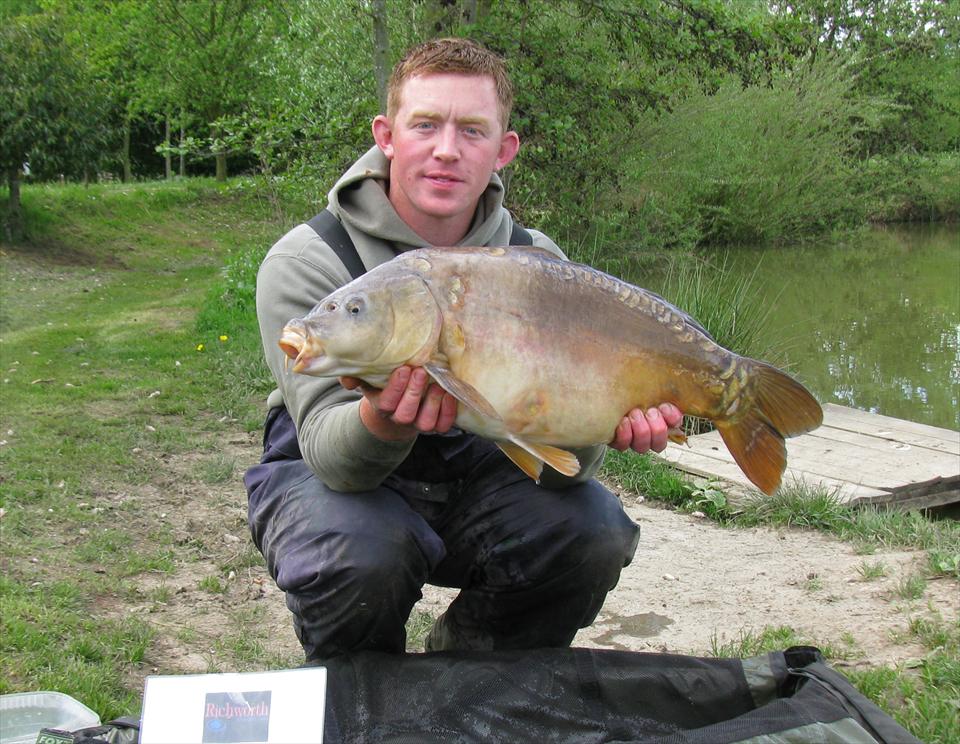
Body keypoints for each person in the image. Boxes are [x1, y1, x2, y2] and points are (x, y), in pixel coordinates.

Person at [244, 37, 683, 662]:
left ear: (503, 150)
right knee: (359, 553)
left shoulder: (541, 265)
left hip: (483, 478)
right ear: (387, 134)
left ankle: (476, 671)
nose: (446, 150)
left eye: (472, 131)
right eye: (425, 124)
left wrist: (608, 425)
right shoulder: (309, 262)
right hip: (341, 489)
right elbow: (330, 458)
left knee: (592, 530)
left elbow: (569, 467)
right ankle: (363, 691)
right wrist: (384, 418)